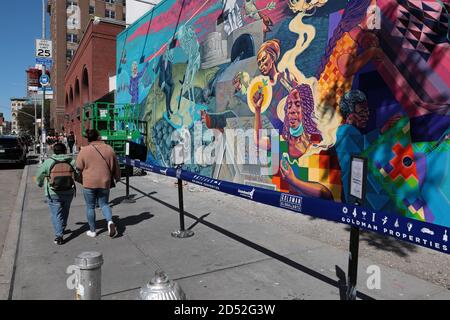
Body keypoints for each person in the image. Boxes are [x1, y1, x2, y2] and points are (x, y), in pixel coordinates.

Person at [76, 129, 120, 238]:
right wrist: (117, 177)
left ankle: (93, 231)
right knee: (104, 204)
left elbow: (79, 167)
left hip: (89, 182)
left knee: (90, 207)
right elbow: (115, 165)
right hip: (105, 181)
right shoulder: (109, 149)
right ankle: (110, 222)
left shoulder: (84, 150)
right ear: (99, 137)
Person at [36, 143, 78, 245]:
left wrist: (40, 183)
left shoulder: (48, 162)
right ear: (65, 151)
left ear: (54, 151)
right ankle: (62, 227)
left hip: (53, 191)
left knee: (56, 213)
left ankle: (59, 235)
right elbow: (77, 173)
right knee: (65, 210)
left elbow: (39, 175)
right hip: (69, 191)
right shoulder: (71, 161)